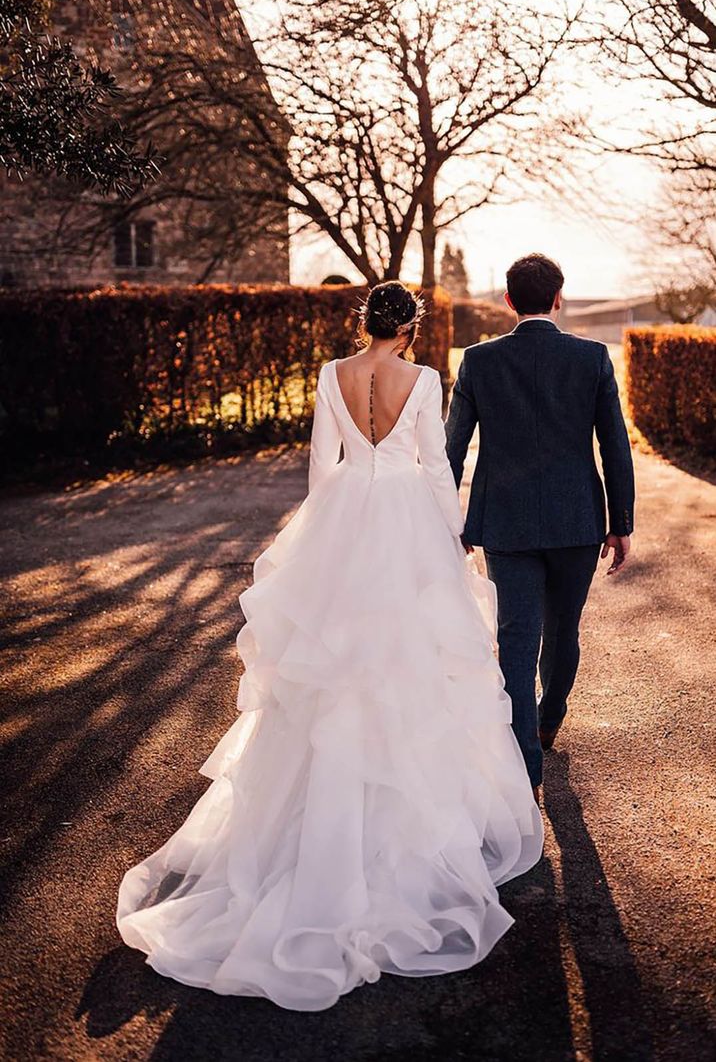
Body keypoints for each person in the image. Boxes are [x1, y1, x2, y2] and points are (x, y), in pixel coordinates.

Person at [116, 281, 543, 1012]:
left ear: (363, 323)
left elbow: (322, 465)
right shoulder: (424, 377)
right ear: (408, 328)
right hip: (404, 517)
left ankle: (308, 829)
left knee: (330, 671)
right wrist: (451, 533)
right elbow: (434, 465)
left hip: (346, 512)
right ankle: (394, 820)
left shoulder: (329, 376)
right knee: (408, 664)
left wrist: (324, 540)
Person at [445, 253, 635, 799]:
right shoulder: (592, 358)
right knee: (563, 631)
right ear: (559, 298)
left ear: (508, 301)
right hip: (577, 521)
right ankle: (550, 719)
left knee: (516, 642)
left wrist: (447, 519)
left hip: (504, 524)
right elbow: (614, 445)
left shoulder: (478, 363)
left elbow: (449, 451)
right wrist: (620, 522)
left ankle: (526, 772)